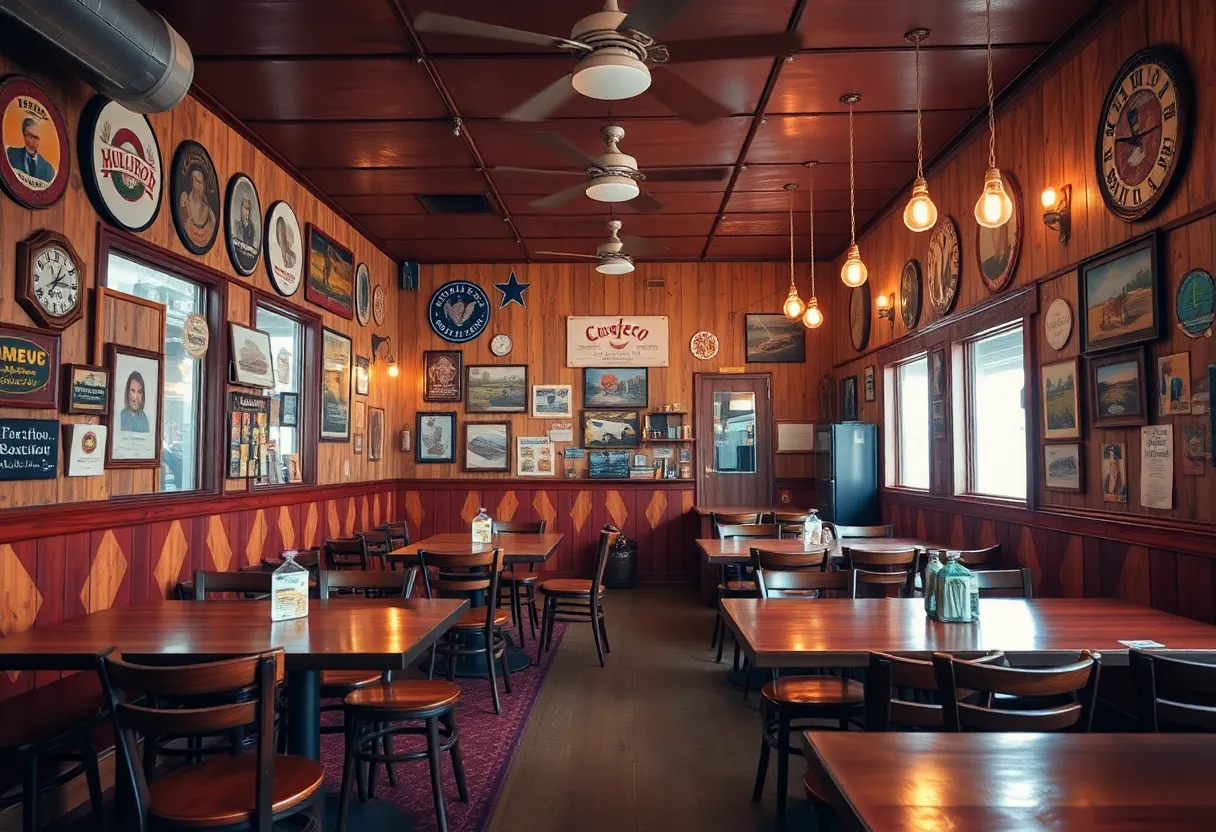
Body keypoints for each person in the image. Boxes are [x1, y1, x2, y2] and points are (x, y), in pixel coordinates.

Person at [6, 116, 55, 184]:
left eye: (37, 137)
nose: (34, 140)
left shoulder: (49, 170)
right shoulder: (10, 154)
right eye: (31, 136)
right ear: (24, 135)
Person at [178, 167, 216, 247]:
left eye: (201, 183)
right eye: (197, 182)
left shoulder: (208, 211)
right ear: (192, 182)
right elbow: (185, 223)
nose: (199, 187)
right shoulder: (185, 200)